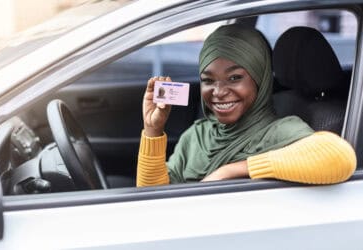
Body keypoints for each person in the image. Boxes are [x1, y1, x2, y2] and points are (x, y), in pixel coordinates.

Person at [137, 24, 356, 187]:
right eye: (208, 80)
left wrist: (231, 172)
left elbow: (340, 157)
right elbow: (152, 201)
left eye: (234, 78)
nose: (219, 92)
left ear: (260, 79)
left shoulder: (279, 132)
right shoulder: (197, 136)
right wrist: (153, 131)